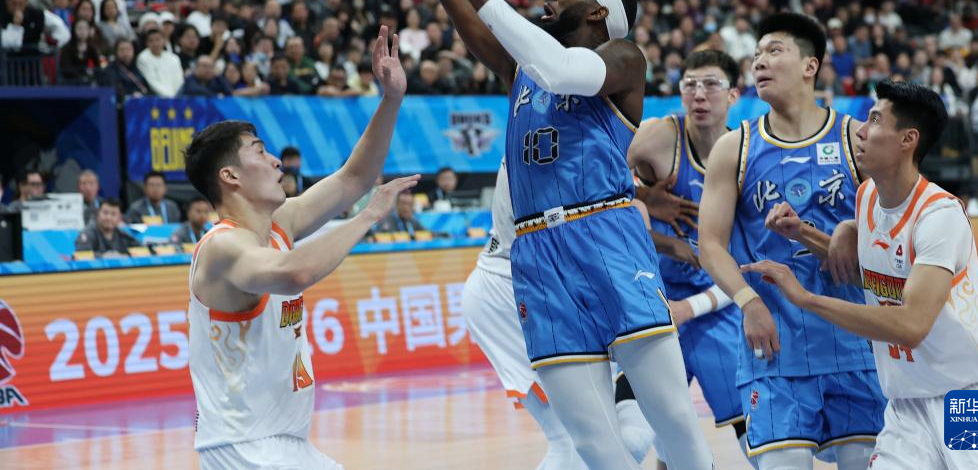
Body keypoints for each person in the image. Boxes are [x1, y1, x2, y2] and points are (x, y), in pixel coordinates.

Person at [402, 0, 713, 470]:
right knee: (593, 444)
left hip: (605, 236)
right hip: (536, 255)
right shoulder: (519, 67)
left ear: (598, 12)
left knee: (673, 421)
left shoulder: (624, 59)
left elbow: (562, 70)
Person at [743, 79, 978, 469]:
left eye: (875, 120)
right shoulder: (867, 197)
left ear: (908, 140)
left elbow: (911, 324)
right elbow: (876, 276)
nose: (860, 130)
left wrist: (805, 298)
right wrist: (804, 233)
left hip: (967, 398)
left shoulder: (939, 217)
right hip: (906, 406)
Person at [184, 26, 417, 470]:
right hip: (244, 447)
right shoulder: (222, 248)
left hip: (285, 443)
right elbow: (294, 273)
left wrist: (390, 100)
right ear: (230, 177)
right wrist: (367, 217)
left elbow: (353, 178)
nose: (276, 161)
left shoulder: (279, 224)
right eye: (259, 152)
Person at [698, 13, 885, 469]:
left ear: (809, 65)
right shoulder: (735, 147)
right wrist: (747, 302)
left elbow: (895, 231)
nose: (759, 61)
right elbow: (710, 245)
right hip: (775, 350)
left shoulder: (857, 139)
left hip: (857, 348)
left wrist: (852, 231)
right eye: (756, 54)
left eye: (774, 51)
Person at [464, 163, 656, 470]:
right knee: (578, 442)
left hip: (535, 288)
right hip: (516, 290)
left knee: (613, 442)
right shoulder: (560, 147)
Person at [627, 49, 753, 467]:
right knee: (639, 432)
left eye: (711, 84)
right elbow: (594, 177)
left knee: (755, 435)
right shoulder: (659, 135)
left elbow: (746, 270)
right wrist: (643, 195)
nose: (699, 94)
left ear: (733, 94)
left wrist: (692, 307)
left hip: (718, 304)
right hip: (654, 301)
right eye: (690, 85)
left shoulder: (746, 155)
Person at [76, 199, 141, 257]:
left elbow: (141, 251)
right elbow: (81, 255)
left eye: (113, 214)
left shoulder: (123, 236)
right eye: (105, 213)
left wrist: (125, 256)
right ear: (98, 214)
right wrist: (103, 256)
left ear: (119, 218)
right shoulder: (88, 233)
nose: (108, 218)